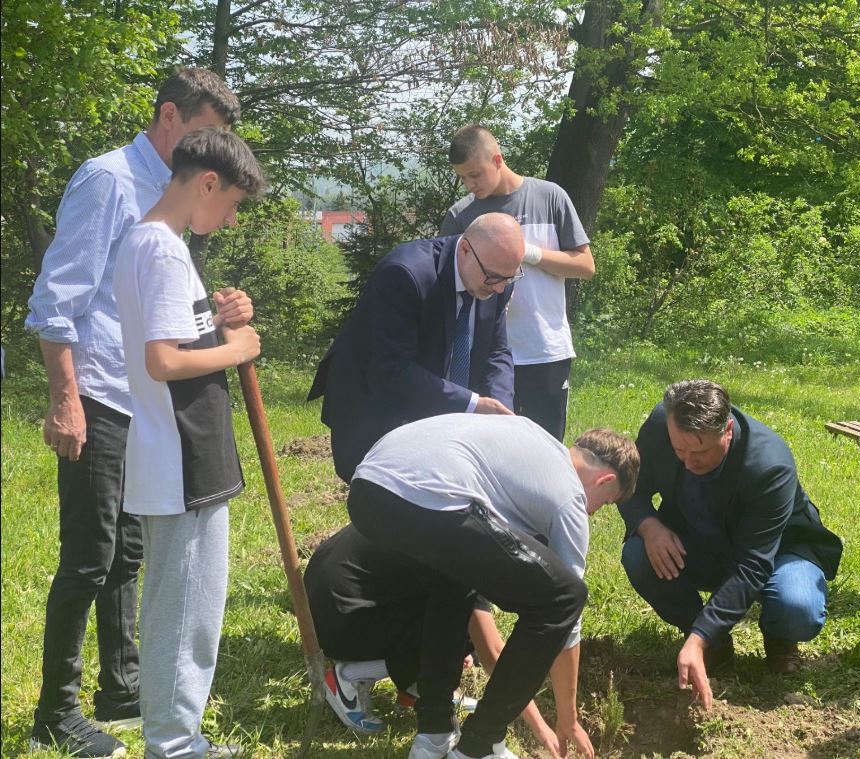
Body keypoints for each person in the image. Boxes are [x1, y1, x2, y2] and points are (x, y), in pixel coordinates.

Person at [25, 68, 243, 759]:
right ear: (169, 116)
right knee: (88, 556)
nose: (213, 153)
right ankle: (56, 711)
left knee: (128, 553)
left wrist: (216, 317)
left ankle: (122, 689)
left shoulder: (170, 196)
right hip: (97, 392)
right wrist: (65, 399)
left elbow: (159, 309)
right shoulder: (110, 181)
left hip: (141, 401)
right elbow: (57, 299)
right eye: (206, 133)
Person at [345, 415, 638, 759]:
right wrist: (569, 718)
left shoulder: (530, 437)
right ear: (605, 479)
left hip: (368, 491)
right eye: (604, 502)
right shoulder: (568, 496)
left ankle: (434, 734)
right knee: (565, 599)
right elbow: (566, 616)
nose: (592, 513)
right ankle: (480, 745)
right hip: (430, 496)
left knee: (453, 577)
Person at [112, 127, 264, 758]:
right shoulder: (165, 251)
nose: (229, 220)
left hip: (173, 455)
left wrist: (219, 322)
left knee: (174, 606)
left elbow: (179, 337)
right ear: (206, 183)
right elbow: (164, 361)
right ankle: (174, 746)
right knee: (185, 614)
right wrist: (238, 349)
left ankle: (174, 737)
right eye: (231, 204)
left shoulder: (151, 242)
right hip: (183, 461)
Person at [618, 380, 843, 709]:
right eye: (679, 450)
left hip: (779, 551)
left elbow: (752, 564)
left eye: (700, 453)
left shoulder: (769, 465)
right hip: (700, 538)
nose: (688, 463)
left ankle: (780, 635)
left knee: (797, 607)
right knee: (638, 555)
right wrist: (649, 526)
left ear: (727, 429)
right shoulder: (661, 425)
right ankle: (715, 644)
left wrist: (698, 638)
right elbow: (631, 486)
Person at [303, 524, 565, 755]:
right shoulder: (475, 558)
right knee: (458, 626)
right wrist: (541, 728)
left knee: (460, 632)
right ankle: (347, 677)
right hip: (339, 618)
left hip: (321, 593)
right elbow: (494, 655)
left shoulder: (473, 520)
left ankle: (415, 689)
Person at [308, 212, 524, 483]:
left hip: (439, 414)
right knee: (388, 498)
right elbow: (390, 370)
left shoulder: (495, 277)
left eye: (509, 278)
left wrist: (501, 411)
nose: (501, 288)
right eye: (493, 277)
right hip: (377, 411)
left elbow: (496, 351)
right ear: (465, 250)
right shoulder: (404, 273)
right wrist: (473, 404)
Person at [441, 125, 594, 441]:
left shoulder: (550, 197)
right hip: (484, 353)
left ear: (497, 160)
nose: (470, 185)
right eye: (463, 178)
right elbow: (448, 283)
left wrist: (530, 253)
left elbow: (585, 266)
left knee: (545, 446)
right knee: (488, 445)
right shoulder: (460, 215)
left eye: (475, 174)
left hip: (544, 350)